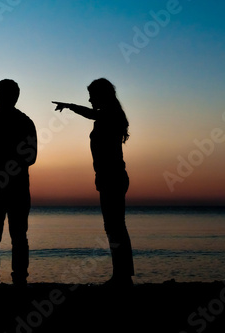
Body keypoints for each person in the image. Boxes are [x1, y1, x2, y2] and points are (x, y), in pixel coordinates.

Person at [53, 78, 134, 287]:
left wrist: (70, 107)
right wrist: (71, 107)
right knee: (114, 227)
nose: (89, 99)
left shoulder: (109, 116)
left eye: (92, 95)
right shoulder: (108, 116)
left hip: (113, 178)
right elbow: (93, 115)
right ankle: (122, 275)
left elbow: (93, 114)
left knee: (115, 227)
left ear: (101, 96)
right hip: (109, 177)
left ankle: (122, 277)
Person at [0, 79, 37, 287]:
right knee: (5, 237)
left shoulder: (20, 122)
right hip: (6, 189)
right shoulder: (22, 122)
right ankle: (2, 279)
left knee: (8, 236)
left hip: (8, 189)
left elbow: (30, 157)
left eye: (1, 93)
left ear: (13, 97)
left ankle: (10, 279)